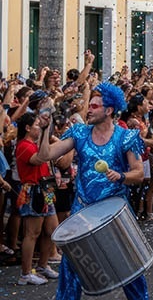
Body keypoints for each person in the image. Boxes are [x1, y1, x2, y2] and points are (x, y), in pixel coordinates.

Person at [35, 83, 147, 300]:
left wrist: (121, 176)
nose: (89, 109)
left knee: (130, 269)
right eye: (90, 105)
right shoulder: (79, 133)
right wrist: (43, 130)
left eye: (95, 106)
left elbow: (139, 173)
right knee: (72, 268)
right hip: (83, 209)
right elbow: (45, 155)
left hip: (115, 212)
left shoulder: (125, 137)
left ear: (109, 110)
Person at [14, 112, 59, 285]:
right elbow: (41, 158)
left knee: (51, 230)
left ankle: (42, 265)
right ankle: (25, 273)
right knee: (32, 233)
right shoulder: (24, 146)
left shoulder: (33, 143)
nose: (39, 127)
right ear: (27, 128)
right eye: (36, 125)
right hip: (34, 190)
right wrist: (47, 132)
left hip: (46, 189)